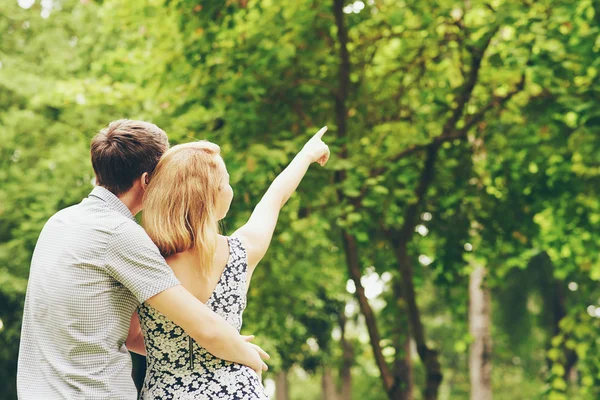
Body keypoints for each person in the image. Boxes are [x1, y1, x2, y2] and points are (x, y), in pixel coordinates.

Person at [17, 120, 268, 399]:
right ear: (148, 180)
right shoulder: (121, 234)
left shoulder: (59, 222)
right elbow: (204, 326)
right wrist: (248, 356)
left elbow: (153, 336)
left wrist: (224, 346)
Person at [137, 127, 330, 399]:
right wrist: (306, 154)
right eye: (226, 182)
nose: (230, 189)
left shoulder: (142, 262)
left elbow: (132, 335)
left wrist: (179, 351)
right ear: (213, 196)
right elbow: (274, 199)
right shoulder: (241, 251)